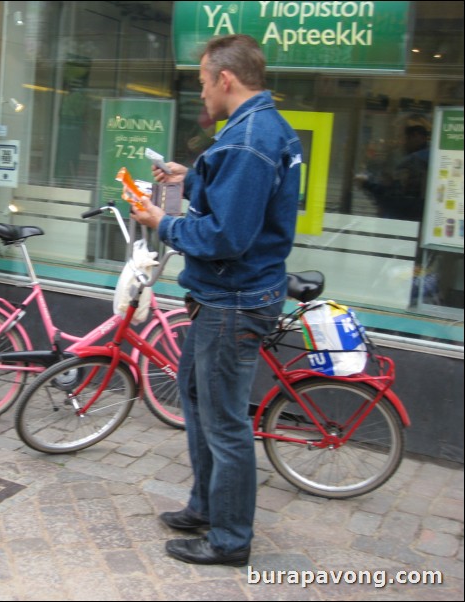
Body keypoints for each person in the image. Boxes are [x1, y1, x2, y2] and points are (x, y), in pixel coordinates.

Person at [130, 35, 303, 566]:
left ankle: (229, 539)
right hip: (224, 297)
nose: (201, 91)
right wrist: (191, 175)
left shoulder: (249, 140)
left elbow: (228, 235)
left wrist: (164, 222)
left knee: (224, 423)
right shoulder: (258, 131)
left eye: (204, 80)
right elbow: (238, 194)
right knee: (198, 402)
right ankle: (206, 506)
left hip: (233, 300)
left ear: (225, 79)